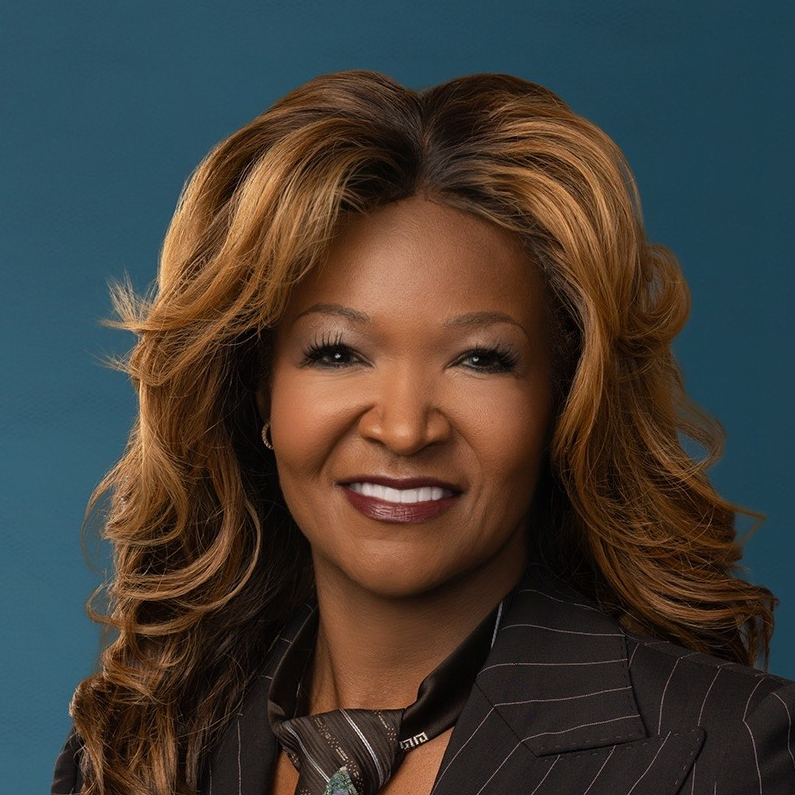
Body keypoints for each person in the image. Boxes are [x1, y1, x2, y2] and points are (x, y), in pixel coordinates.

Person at [52, 70, 794, 795]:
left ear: (563, 399)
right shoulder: (131, 746)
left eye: (480, 359)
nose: (405, 429)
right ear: (258, 391)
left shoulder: (730, 750)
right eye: (337, 353)